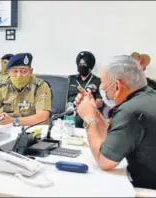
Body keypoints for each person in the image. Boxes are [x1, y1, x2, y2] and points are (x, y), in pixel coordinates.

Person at [75, 55, 156, 189]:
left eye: (102, 82)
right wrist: (94, 110)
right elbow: (114, 135)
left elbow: (105, 162)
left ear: (117, 86)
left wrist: (89, 118)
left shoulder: (131, 111)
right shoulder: (147, 97)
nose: (101, 87)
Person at [0, 53, 51, 126]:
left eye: (23, 71)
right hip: (6, 128)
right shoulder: (3, 86)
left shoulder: (40, 86)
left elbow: (42, 117)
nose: (19, 75)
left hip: (31, 128)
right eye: (15, 71)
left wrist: (14, 121)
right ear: (8, 72)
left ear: (31, 71)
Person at [67, 51, 104, 128]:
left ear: (90, 66)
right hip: (71, 113)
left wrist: (86, 106)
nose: (82, 66)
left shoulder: (97, 81)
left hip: (87, 113)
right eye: (80, 64)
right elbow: (63, 99)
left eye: (84, 64)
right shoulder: (70, 79)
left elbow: (99, 102)